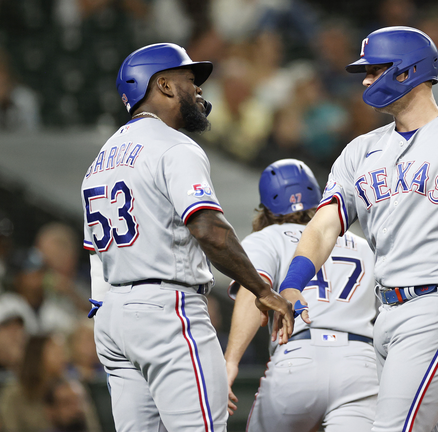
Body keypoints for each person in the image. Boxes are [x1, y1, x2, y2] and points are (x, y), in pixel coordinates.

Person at [277, 26, 438, 432]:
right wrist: (292, 282)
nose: (365, 80)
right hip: (388, 312)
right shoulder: (360, 150)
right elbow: (324, 226)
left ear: (406, 71)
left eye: (374, 70)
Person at [81, 42, 295, 432]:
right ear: (162, 85)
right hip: (167, 311)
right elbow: (209, 231)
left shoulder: (99, 161)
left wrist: (113, 317)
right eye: (188, 79)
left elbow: (95, 255)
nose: (198, 89)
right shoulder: (174, 145)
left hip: (113, 321)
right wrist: (261, 290)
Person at [224, 159, 379, 431]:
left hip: (300, 356)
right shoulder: (362, 244)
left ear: (266, 207)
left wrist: (231, 361)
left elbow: (253, 292)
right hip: (361, 364)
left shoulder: (267, 237)